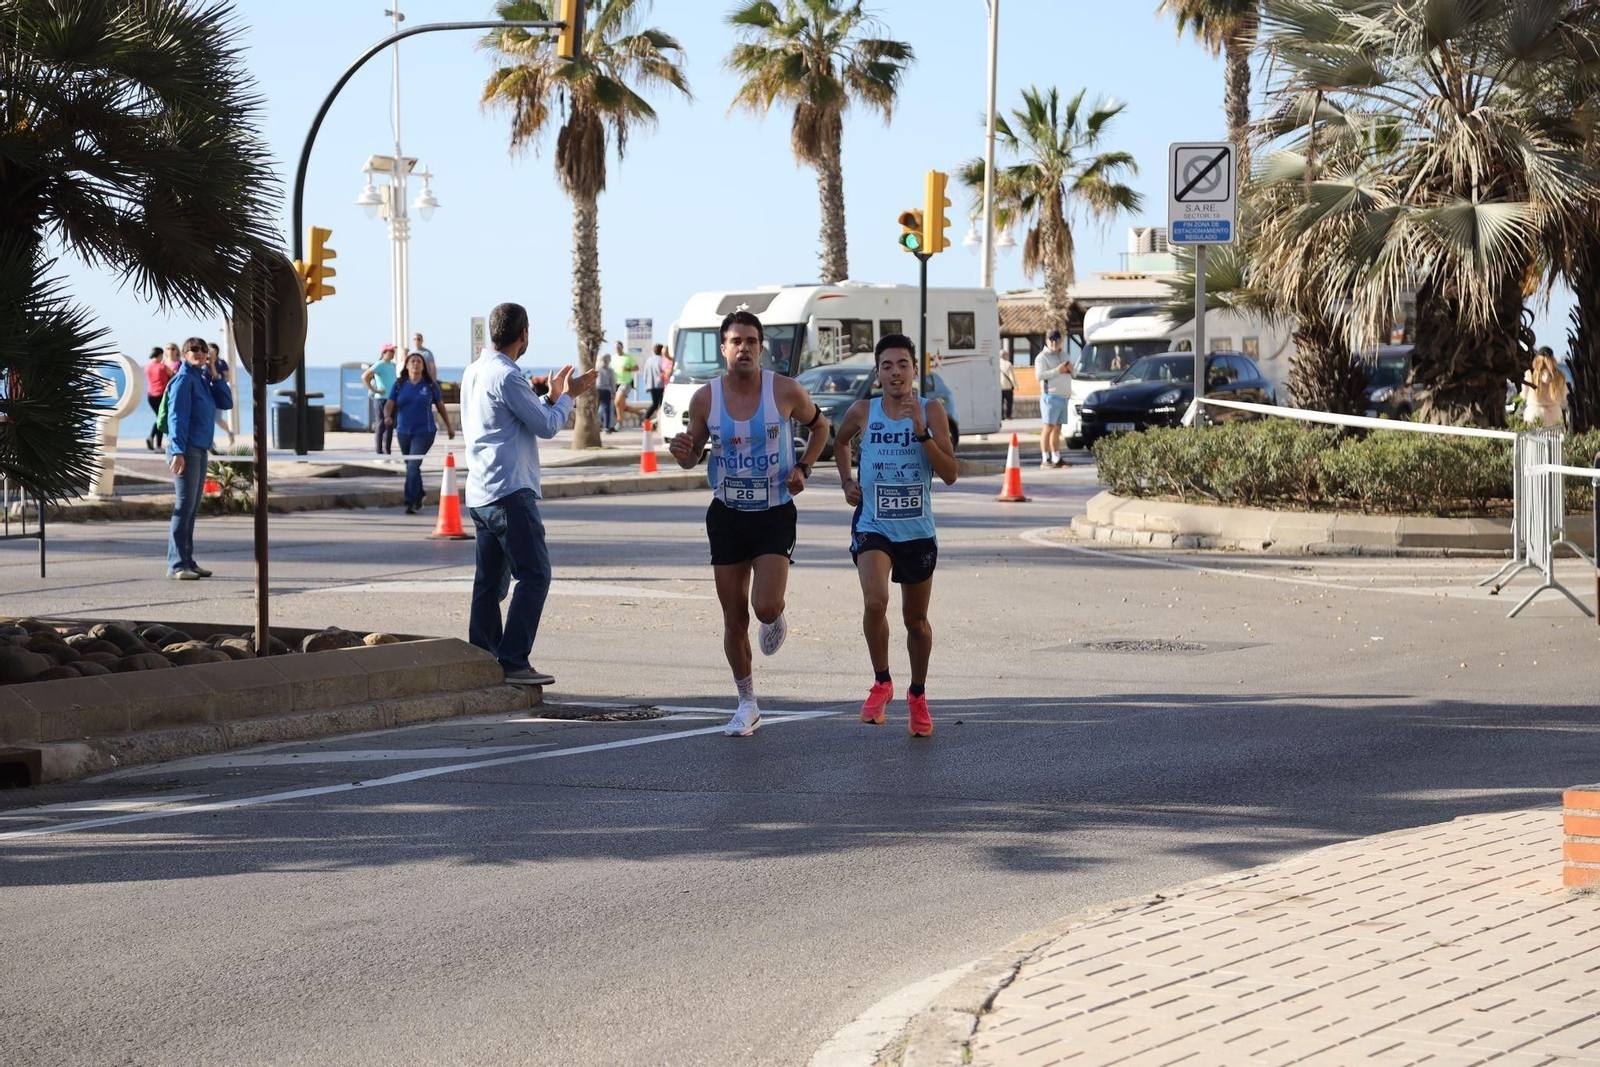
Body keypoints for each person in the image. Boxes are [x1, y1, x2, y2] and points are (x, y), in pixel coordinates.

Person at [667, 310, 831, 737]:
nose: (744, 348)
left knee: (764, 607)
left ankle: (775, 617)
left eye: (752, 341)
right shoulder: (705, 399)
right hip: (727, 514)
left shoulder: (786, 391)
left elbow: (821, 428)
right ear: (723, 348)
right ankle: (747, 703)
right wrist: (680, 449)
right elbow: (691, 455)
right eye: (735, 341)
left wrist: (805, 469)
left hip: (775, 512)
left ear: (762, 347)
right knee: (734, 617)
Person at [461, 302, 596, 687]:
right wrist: (568, 396)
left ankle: (483, 656)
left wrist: (552, 397)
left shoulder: (475, 371)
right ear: (523, 334)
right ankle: (513, 659)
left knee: (489, 582)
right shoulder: (507, 375)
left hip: (481, 493)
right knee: (535, 575)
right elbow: (548, 427)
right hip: (509, 491)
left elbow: (514, 419)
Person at [832, 335, 959, 737]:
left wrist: (921, 432)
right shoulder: (862, 411)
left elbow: (951, 474)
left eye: (903, 364)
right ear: (877, 374)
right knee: (875, 600)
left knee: (916, 621)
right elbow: (838, 441)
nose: (895, 373)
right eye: (887, 366)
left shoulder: (931, 411)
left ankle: (917, 695)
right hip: (874, 524)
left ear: (914, 371)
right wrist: (847, 481)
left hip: (917, 530)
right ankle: (882, 681)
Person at [165, 337, 233, 580]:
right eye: (194, 349)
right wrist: (178, 451)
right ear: (184, 354)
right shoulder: (183, 380)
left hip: (201, 448)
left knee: (192, 508)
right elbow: (177, 418)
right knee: (184, 506)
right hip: (187, 449)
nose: (200, 353)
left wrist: (214, 371)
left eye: (204, 350)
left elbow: (226, 402)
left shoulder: (202, 379)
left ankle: (188, 561)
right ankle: (176, 564)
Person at [385, 351, 455, 514]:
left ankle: (409, 500)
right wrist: (388, 416)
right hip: (403, 431)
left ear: (423, 366)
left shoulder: (430, 385)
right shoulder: (399, 384)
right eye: (412, 361)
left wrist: (449, 427)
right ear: (407, 365)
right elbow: (389, 403)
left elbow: (440, 406)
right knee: (411, 466)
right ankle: (419, 494)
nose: (415, 364)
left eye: (418, 361)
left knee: (413, 465)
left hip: (425, 431)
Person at [1035, 330, 1075, 468]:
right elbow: (1039, 375)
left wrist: (1071, 369)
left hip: (1063, 397)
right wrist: (1058, 370)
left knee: (1058, 428)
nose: (1054, 343)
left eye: (1057, 340)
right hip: (1050, 397)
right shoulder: (1042, 357)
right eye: (1051, 340)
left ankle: (1056, 458)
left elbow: (1073, 372)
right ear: (1046, 341)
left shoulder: (1065, 355)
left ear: (1061, 341)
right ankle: (1045, 459)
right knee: (1048, 427)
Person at [362, 343, 399, 454]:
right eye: (391, 351)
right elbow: (365, 376)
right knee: (381, 423)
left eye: (393, 351)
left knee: (390, 424)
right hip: (381, 398)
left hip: (391, 399)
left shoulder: (393, 365)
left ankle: (387, 449)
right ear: (384, 352)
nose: (393, 353)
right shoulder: (380, 364)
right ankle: (379, 450)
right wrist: (374, 390)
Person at [1523, 349, 1568, 428]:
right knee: (1554, 439)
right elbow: (1563, 397)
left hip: (1534, 412)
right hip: (1554, 413)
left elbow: (1524, 395)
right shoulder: (1561, 375)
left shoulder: (1530, 374)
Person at [206, 342, 237, 449]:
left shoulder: (221, 363)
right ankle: (210, 440)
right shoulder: (204, 363)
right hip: (207, 394)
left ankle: (229, 432)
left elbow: (227, 378)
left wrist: (213, 365)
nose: (210, 352)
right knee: (207, 418)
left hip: (218, 394)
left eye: (212, 350)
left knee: (217, 419)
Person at [143, 346, 174, 451]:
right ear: (160, 355)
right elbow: (173, 375)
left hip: (150, 396)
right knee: (161, 418)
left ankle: (152, 438)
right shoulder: (162, 367)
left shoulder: (147, 367)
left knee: (158, 417)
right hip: (161, 395)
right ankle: (157, 444)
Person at [642, 343, 668, 422]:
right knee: (659, 403)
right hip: (660, 385)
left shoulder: (648, 360)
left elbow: (645, 374)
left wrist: (646, 385)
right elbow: (664, 372)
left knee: (655, 403)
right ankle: (647, 417)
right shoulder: (662, 360)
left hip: (651, 385)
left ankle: (649, 418)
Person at [614, 341, 637, 427]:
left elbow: (636, 367)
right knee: (621, 405)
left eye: (618, 347)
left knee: (617, 402)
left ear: (622, 348)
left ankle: (619, 423)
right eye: (615, 347)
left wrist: (628, 369)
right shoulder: (613, 358)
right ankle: (640, 414)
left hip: (626, 382)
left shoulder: (628, 357)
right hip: (616, 383)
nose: (617, 349)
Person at [596, 353, 618, 433]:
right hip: (606, 391)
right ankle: (606, 427)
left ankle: (599, 425)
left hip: (596, 390)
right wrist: (613, 392)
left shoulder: (597, 369)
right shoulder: (610, 370)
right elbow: (612, 383)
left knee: (598, 408)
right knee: (606, 409)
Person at [999, 352, 1017, 421]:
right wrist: (1015, 385)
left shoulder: (997, 363)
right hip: (1008, 386)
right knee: (1009, 402)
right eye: (1007, 355)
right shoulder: (1008, 364)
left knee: (1000, 402)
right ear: (1004, 356)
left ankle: (1001, 416)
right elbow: (1011, 376)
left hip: (999, 386)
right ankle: (1008, 415)